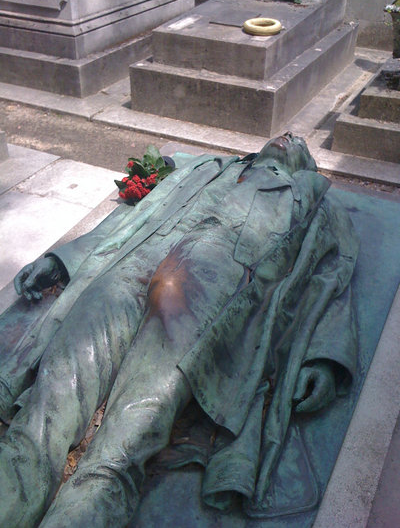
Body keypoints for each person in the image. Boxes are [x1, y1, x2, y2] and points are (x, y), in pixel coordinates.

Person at [0, 133, 359, 528]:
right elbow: (127, 223)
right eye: (285, 133)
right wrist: (62, 259)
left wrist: (324, 357)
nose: (291, 135)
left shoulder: (317, 202)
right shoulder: (206, 167)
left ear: (306, 165)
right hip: (132, 269)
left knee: (122, 448)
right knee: (46, 410)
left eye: (301, 143)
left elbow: (330, 280)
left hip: (207, 293)